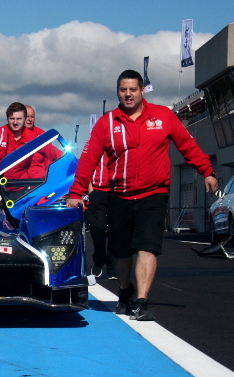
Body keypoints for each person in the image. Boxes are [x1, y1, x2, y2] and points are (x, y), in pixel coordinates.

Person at [67, 70, 217, 321]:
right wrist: (77, 191)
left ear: (141, 91)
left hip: (153, 194)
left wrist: (207, 171)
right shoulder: (108, 123)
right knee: (121, 251)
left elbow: (187, 144)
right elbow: (89, 160)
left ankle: (142, 300)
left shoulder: (162, 116)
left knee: (147, 247)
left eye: (133, 89)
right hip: (120, 196)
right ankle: (125, 291)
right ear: (118, 92)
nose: (128, 94)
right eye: (123, 90)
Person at [83, 157, 116, 279]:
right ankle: (98, 263)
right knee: (98, 229)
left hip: (115, 192)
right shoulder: (94, 148)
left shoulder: (117, 147)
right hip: (96, 191)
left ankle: (112, 267)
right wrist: (91, 191)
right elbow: (84, 170)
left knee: (115, 231)